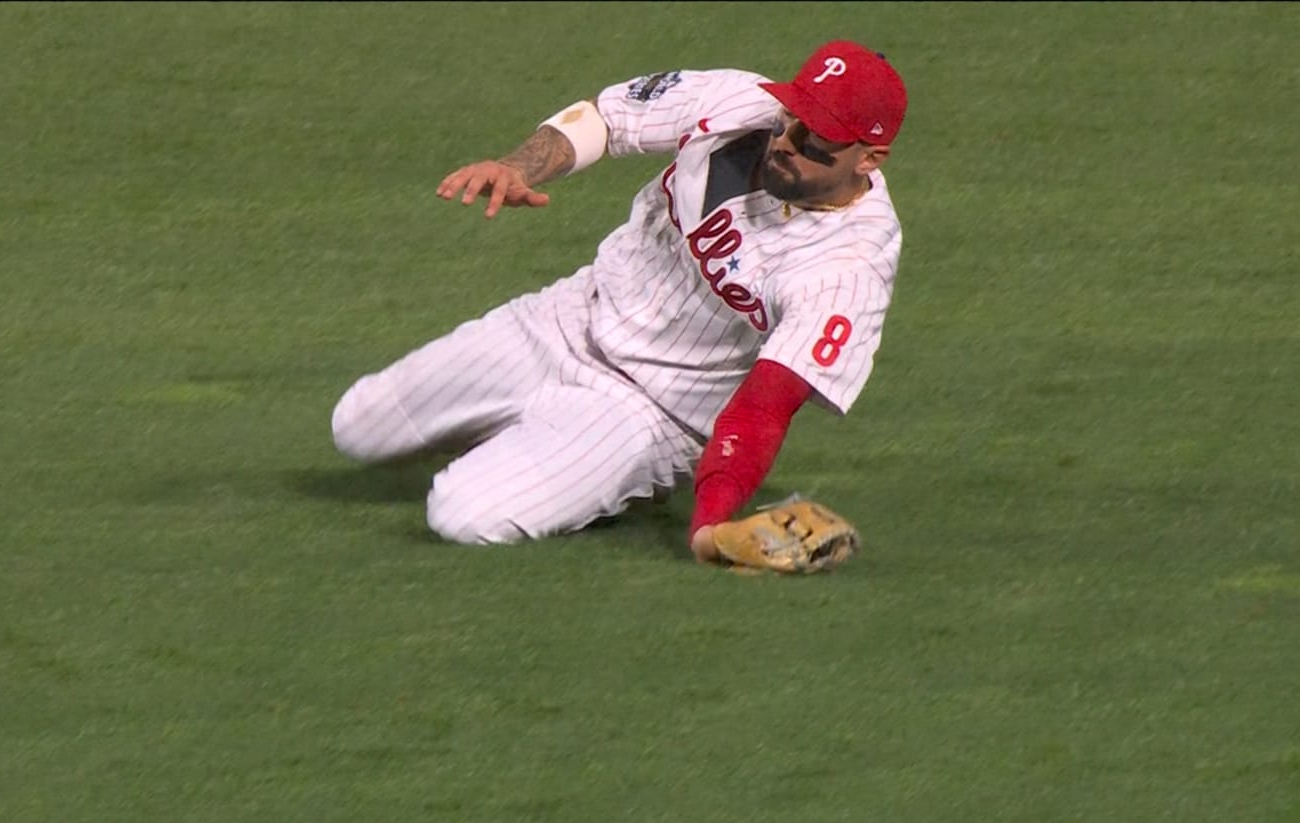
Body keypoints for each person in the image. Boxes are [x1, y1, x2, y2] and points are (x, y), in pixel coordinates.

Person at [331, 40, 908, 564]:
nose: (786, 142)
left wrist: (710, 530)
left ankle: (609, 477)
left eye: (815, 138)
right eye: (790, 117)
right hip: (565, 318)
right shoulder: (734, 102)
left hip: (647, 412)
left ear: (870, 157)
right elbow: (606, 117)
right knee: (356, 425)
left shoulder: (849, 267)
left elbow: (765, 406)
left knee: (459, 513)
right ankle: (534, 446)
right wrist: (515, 166)